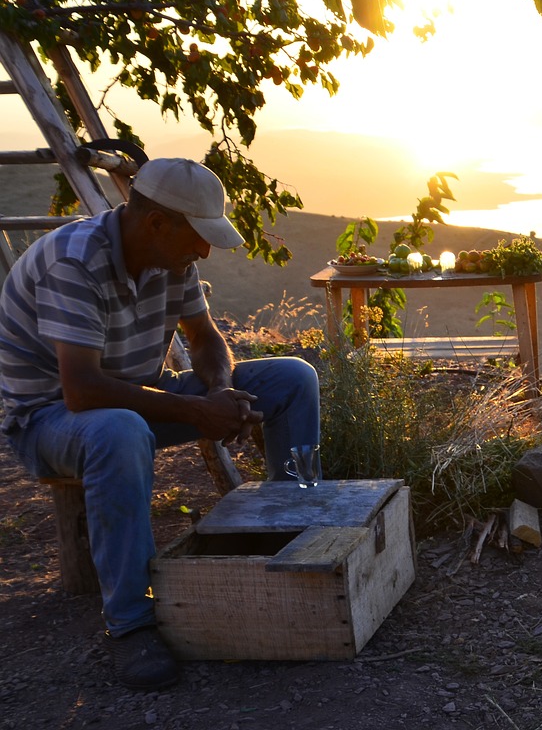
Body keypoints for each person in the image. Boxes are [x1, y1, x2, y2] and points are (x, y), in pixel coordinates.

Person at [0, 157, 321, 691]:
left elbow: (205, 337)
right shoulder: (73, 262)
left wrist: (220, 392)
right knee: (119, 430)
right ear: (156, 223)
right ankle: (131, 623)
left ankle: (293, 531)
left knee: (293, 378)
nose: (205, 252)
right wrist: (197, 412)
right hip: (51, 419)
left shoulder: (171, 258)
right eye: (199, 237)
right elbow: (82, 391)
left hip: (137, 399)